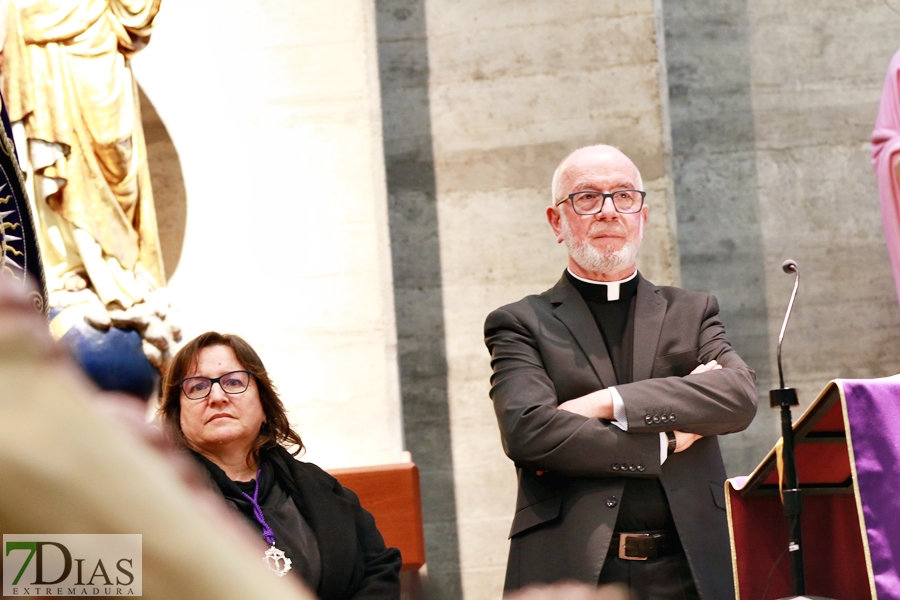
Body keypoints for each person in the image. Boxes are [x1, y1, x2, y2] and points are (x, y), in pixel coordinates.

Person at [484, 145, 757, 599]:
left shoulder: (691, 312)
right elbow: (528, 431)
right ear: (557, 221)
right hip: (575, 568)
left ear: (642, 217)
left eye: (624, 197)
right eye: (587, 198)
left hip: (693, 565)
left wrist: (606, 402)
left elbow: (737, 398)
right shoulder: (520, 323)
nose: (608, 211)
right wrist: (664, 440)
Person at [158, 331, 402, 600]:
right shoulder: (143, 495)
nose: (217, 396)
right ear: (177, 414)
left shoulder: (322, 489)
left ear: (264, 405)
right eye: (198, 387)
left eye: (234, 381)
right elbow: (110, 586)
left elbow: (378, 570)